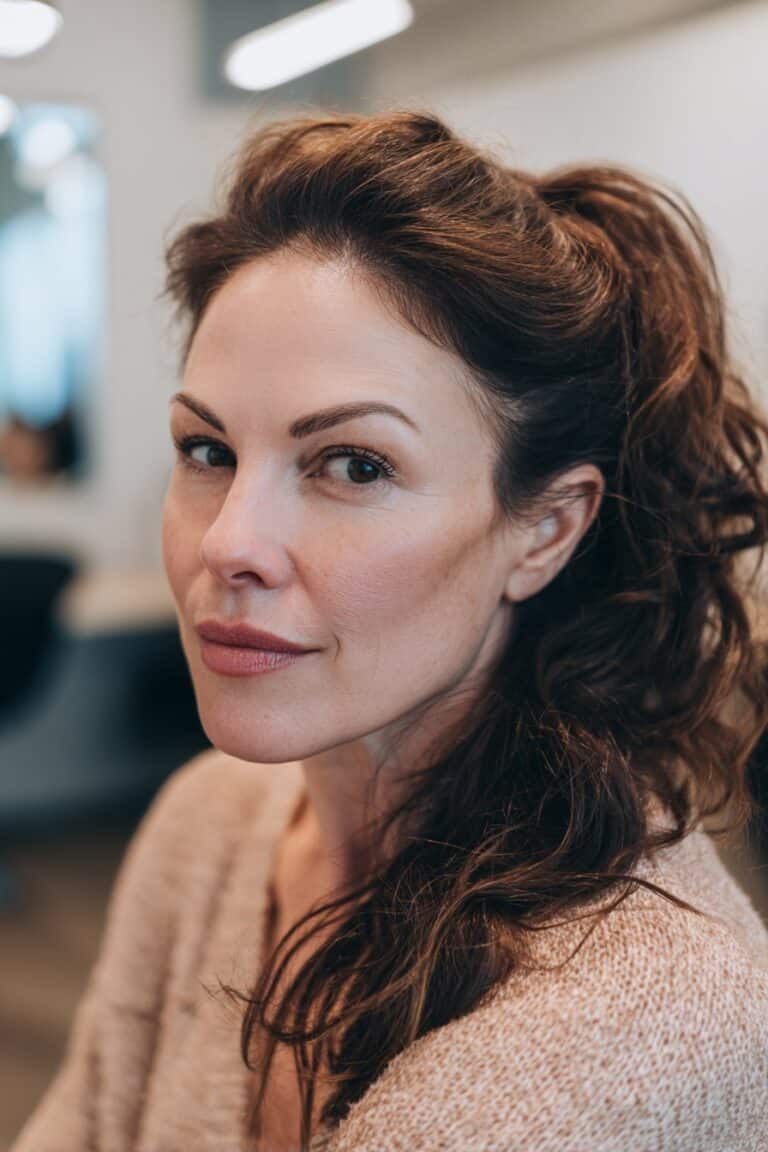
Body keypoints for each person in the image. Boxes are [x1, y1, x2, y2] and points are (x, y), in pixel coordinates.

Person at [11, 109, 768, 1152]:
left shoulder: (635, 1024)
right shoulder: (211, 822)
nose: (230, 542)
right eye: (207, 450)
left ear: (543, 531)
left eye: (353, 465)